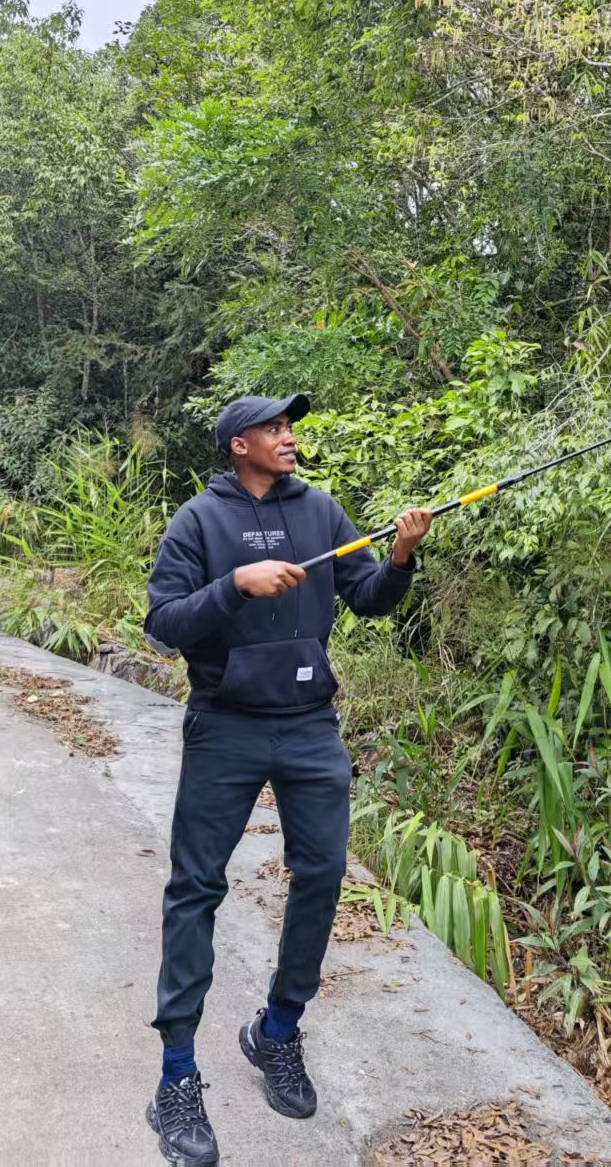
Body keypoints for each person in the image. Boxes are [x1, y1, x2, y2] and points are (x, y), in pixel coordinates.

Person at [143, 393, 432, 1165]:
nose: (290, 438)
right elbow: (163, 622)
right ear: (239, 444)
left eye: (290, 427)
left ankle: (276, 1030)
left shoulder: (323, 512)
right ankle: (175, 1076)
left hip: (310, 726)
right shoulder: (197, 523)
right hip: (225, 726)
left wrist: (400, 557)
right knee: (195, 888)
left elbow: (368, 599)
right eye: (275, 429)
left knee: (324, 873)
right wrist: (234, 585)